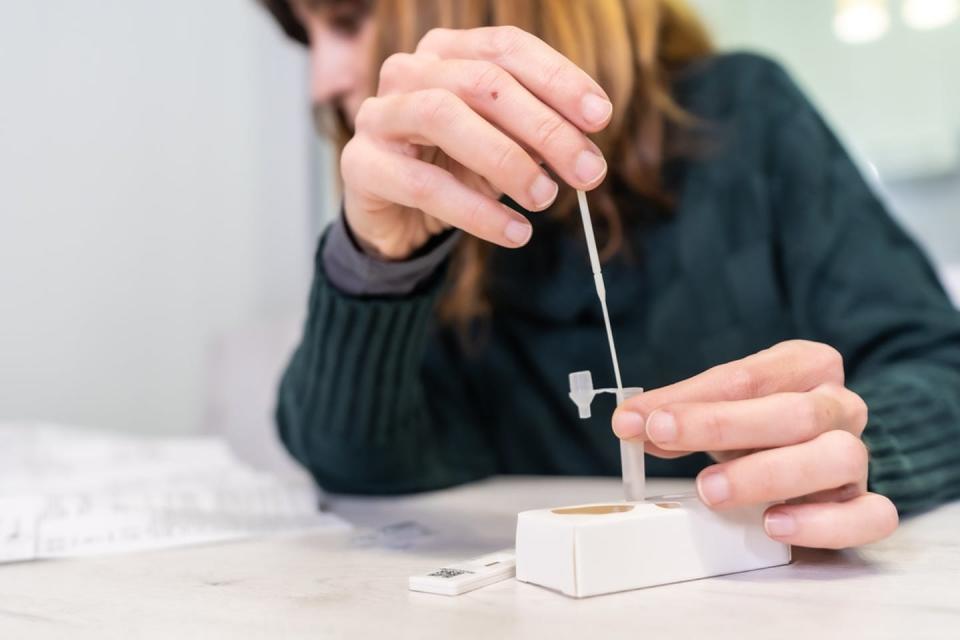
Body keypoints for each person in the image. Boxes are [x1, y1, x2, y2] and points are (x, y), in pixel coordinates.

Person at [261, 0, 960, 550]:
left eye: (348, 18)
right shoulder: (439, 232)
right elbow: (353, 462)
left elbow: (941, 370)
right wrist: (376, 261)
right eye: (309, 37)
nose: (324, 79)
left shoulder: (748, 113)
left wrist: (854, 453)